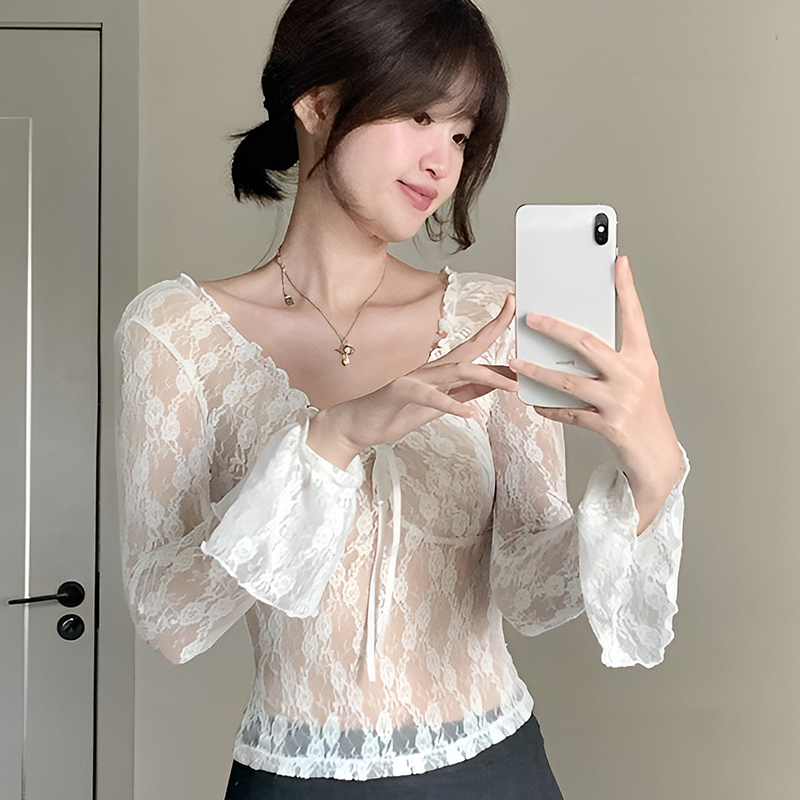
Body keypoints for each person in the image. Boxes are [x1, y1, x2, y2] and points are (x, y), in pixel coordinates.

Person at [115, 0, 689, 797]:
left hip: (495, 770)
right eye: (420, 116)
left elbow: (527, 589)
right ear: (316, 103)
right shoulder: (176, 332)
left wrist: (649, 479)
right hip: (296, 779)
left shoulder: (492, 320)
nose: (442, 162)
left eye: (461, 135)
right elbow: (170, 618)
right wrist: (333, 439)